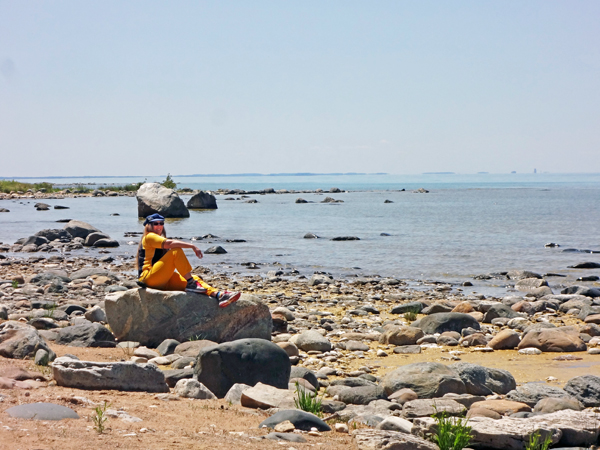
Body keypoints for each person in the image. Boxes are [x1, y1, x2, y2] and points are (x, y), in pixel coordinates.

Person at [136, 213, 240, 308]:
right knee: (176, 251)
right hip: (148, 278)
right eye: (155, 223)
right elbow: (170, 244)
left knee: (194, 278)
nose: (159, 226)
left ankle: (219, 295)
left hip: (162, 280)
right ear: (148, 226)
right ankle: (191, 283)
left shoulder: (157, 238)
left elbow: (164, 264)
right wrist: (192, 246)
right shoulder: (149, 236)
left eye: (161, 223)